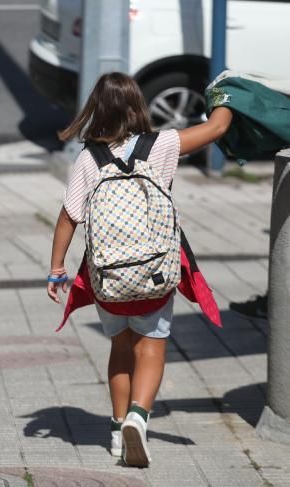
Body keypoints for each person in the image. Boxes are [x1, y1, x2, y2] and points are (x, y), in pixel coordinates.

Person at [47, 72, 233, 466]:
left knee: (120, 347)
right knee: (151, 347)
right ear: (137, 108)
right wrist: (228, 94)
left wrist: (56, 268)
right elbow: (216, 128)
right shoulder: (162, 145)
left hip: (108, 278)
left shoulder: (88, 159)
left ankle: (117, 431)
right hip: (155, 273)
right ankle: (138, 416)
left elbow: (68, 217)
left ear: (95, 111)